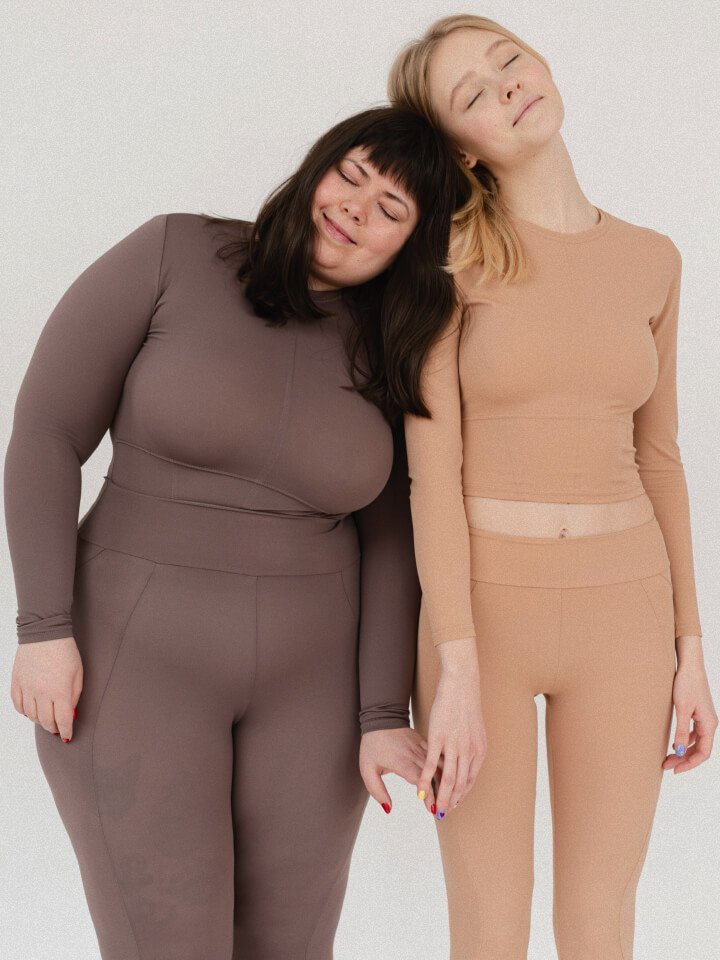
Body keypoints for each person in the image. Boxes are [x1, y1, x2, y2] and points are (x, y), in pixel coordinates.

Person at [4, 105, 467, 958]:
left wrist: (380, 712)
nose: (355, 208)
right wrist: (42, 627)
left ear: (413, 244)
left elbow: (393, 540)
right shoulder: (175, 253)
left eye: (391, 209)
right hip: (132, 663)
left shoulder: (396, 345)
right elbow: (46, 433)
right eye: (351, 176)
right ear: (317, 167)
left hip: (314, 696)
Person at [385, 15, 717, 960]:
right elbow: (431, 477)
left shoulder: (654, 259)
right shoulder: (442, 261)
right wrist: (454, 669)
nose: (506, 88)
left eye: (509, 61)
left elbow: (661, 459)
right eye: (472, 94)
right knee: (488, 928)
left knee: (601, 924)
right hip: (481, 622)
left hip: (627, 615)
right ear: (461, 147)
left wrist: (691, 647)